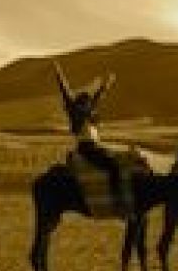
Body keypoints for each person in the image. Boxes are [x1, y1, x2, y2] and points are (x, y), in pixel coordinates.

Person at [53, 60, 130, 211]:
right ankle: (118, 200)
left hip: (96, 147)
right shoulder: (75, 112)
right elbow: (66, 91)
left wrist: (107, 84)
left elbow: (98, 97)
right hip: (87, 149)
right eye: (85, 103)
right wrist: (59, 74)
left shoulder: (89, 114)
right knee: (114, 167)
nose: (89, 105)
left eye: (88, 103)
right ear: (80, 103)